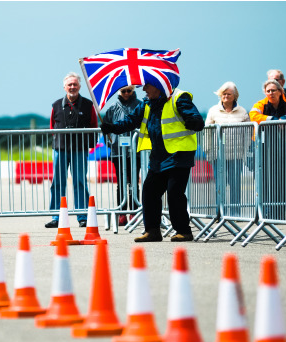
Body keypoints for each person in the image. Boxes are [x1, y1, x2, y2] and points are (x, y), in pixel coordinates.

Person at [101, 82, 205, 242]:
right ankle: (152, 231)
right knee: (149, 191)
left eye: (147, 86)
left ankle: (184, 231)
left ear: (158, 86)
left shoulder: (179, 97)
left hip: (179, 155)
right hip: (159, 157)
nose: (144, 90)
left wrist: (195, 121)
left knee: (174, 193)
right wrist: (112, 128)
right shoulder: (147, 104)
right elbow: (131, 120)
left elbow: (195, 118)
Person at [45, 72, 98, 228]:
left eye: (75, 84)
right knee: (57, 183)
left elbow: (93, 125)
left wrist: (90, 145)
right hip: (60, 149)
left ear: (79, 86)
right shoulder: (55, 105)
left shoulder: (88, 105)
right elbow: (51, 128)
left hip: (79, 150)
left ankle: (82, 216)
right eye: (70, 85)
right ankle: (56, 217)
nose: (72, 87)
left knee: (80, 182)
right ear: (64, 87)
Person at [249, 79, 286, 220]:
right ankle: (275, 212)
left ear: (280, 91)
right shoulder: (260, 104)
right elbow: (253, 115)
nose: (271, 93)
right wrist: (272, 119)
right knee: (270, 179)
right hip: (267, 147)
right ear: (265, 92)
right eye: (268, 91)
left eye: (273, 90)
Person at [205, 81, 250, 216]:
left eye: (229, 94)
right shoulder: (213, 110)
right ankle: (220, 212)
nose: (226, 96)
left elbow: (248, 133)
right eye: (224, 94)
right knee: (220, 185)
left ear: (235, 96)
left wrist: (245, 149)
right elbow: (207, 132)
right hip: (218, 154)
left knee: (235, 185)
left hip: (236, 154)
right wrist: (208, 150)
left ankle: (236, 213)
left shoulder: (242, 111)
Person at [102, 85, 142, 226]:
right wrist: (110, 143)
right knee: (121, 183)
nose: (126, 93)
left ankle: (134, 212)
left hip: (135, 150)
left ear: (133, 91)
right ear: (119, 92)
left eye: (128, 91)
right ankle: (121, 212)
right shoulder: (112, 107)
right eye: (123, 91)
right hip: (118, 150)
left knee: (134, 182)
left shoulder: (140, 105)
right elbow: (105, 127)